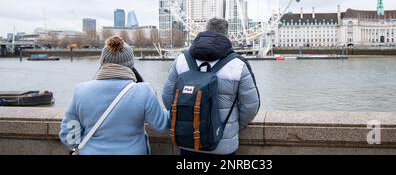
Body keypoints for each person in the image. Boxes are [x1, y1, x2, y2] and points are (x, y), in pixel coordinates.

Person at [162, 17, 260, 155]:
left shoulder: (181, 60)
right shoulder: (238, 65)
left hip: (188, 141)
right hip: (223, 146)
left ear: (205, 30)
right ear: (227, 34)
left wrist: (184, 118)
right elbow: (251, 106)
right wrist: (233, 126)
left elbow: (167, 97)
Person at [60, 35, 168, 155]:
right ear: (131, 64)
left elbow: (69, 136)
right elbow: (162, 124)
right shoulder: (144, 91)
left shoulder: (80, 91)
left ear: (102, 62)